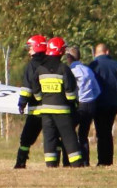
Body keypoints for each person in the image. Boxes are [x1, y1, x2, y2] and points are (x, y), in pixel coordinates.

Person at [36, 37, 84, 167]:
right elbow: (70, 90)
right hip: (62, 110)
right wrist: (72, 102)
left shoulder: (40, 69)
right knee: (69, 137)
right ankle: (77, 163)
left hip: (45, 111)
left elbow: (36, 90)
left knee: (49, 137)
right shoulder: (64, 69)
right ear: (61, 51)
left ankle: (51, 164)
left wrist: (42, 99)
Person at [15, 35, 48, 169]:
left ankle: (20, 163)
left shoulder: (31, 66)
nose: (29, 51)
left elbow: (27, 88)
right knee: (53, 138)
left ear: (36, 47)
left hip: (36, 110)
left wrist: (22, 102)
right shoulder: (51, 62)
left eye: (30, 48)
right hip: (53, 109)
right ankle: (56, 163)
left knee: (26, 139)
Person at [64, 45, 101, 165]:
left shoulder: (70, 71)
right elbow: (97, 90)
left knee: (69, 132)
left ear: (69, 58)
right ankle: (85, 161)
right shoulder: (88, 70)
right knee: (83, 135)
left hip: (78, 105)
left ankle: (70, 160)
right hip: (90, 104)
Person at [89, 43, 117, 166]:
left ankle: (102, 160)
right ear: (107, 52)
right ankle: (108, 160)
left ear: (96, 53)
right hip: (113, 102)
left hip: (99, 102)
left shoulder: (93, 65)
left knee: (100, 131)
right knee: (108, 131)